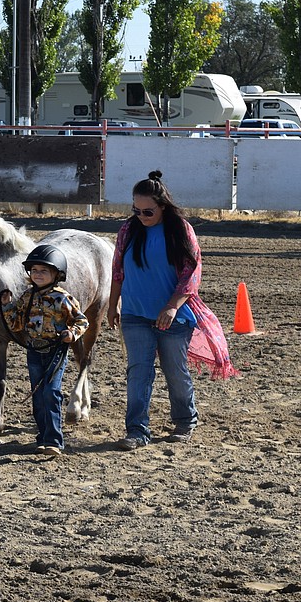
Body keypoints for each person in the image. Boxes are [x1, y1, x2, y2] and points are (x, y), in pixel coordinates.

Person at [107, 170, 238, 449]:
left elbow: (192, 272)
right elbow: (117, 269)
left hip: (174, 316)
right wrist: (112, 305)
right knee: (138, 372)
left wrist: (172, 306)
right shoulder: (129, 230)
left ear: (162, 206)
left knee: (175, 370)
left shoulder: (180, 229)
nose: (141, 216)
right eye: (136, 210)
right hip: (135, 313)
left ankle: (185, 420)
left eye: (147, 211)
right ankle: (137, 431)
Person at [0, 245, 90, 456]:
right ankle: (42, 437)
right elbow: (16, 325)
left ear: (56, 274)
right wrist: (6, 306)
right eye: (35, 270)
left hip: (55, 351)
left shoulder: (62, 298)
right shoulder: (27, 296)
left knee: (51, 393)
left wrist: (72, 334)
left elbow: (81, 320)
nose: (38, 274)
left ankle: (54, 441)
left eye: (44, 271)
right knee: (38, 396)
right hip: (33, 351)